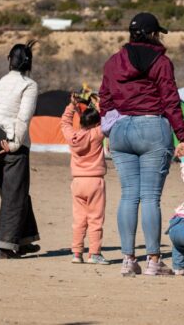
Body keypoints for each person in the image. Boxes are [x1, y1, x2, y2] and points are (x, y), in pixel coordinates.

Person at [99, 12, 184, 277]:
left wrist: (111, 124)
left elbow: (104, 97)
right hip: (152, 128)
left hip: (121, 129)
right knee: (150, 197)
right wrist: (182, 136)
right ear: (153, 34)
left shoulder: (113, 62)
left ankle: (128, 260)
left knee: (129, 195)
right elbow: (170, 100)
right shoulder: (161, 62)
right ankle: (153, 261)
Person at [0, 42, 41, 259]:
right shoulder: (29, 85)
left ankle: (23, 241)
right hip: (12, 146)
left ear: (9, 59)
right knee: (14, 197)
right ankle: (5, 247)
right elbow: (23, 118)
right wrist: (15, 144)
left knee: (15, 194)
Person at [60, 93, 109, 265]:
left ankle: (77, 253)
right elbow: (108, 121)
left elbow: (65, 122)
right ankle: (94, 253)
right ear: (95, 124)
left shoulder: (72, 136)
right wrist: (100, 105)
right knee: (95, 219)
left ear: (80, 123)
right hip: (95, 181)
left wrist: (72, 106)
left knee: (79, 219)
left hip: (77, 182)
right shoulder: (97, 134)